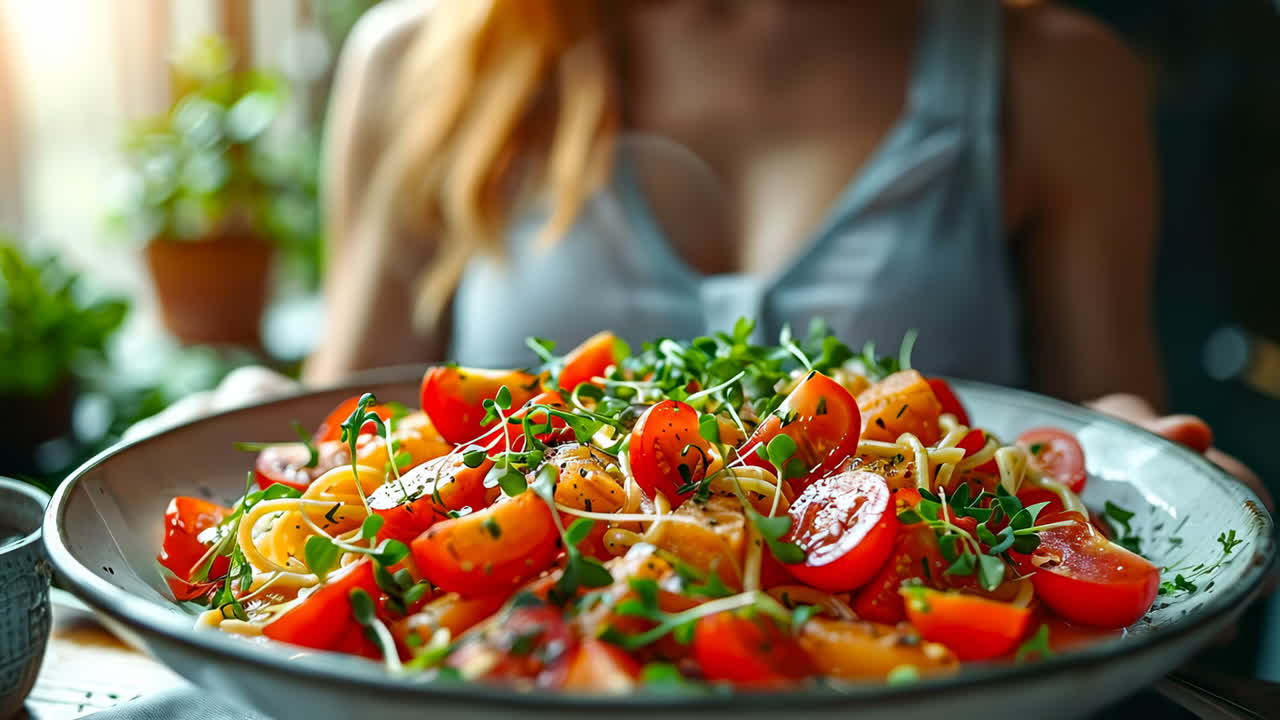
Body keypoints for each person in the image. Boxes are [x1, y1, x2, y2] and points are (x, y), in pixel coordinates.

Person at [300, 0, 1265, 500]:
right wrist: (252, 442)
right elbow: (338, 439)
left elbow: (1105, 439)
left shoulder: (1058, 74)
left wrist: (1155, 460)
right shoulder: (418, 59)